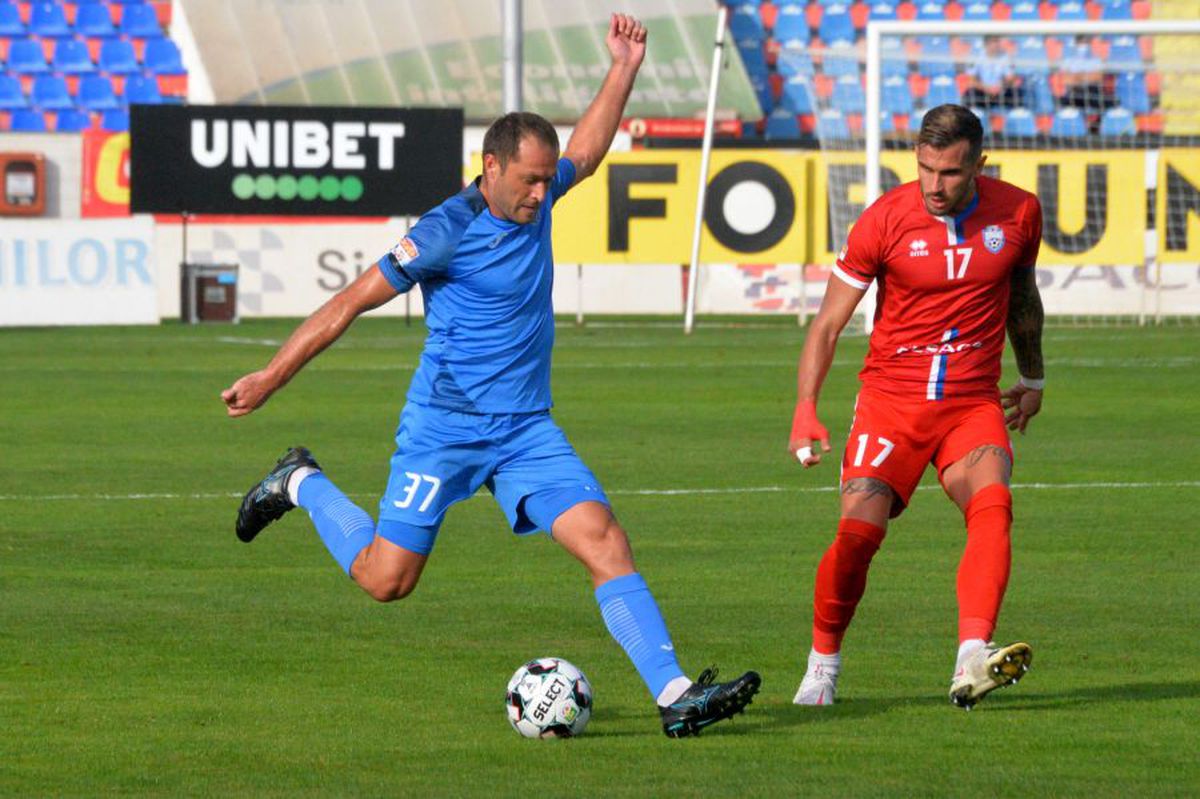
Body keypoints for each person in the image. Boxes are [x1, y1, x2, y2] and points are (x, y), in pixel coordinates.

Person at [221, 13, 760, 738]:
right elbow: (349, 302)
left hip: (525, 431)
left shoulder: (537, 193)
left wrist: (624, 69)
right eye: (532, 181)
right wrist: (271, 376)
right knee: (387, 580)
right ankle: (299, 481)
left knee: (605, 540)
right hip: (443, 428)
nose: (544, 194)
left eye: (548, 179)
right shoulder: (445, 229)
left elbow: (591, 151)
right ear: (492, 167)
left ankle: (673, 694)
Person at [787, 104, 1044, 710]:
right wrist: (805, 407)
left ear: (979, 164)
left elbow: (1023, 297)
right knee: (857, 535)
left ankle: (972, 655)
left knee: (993, 504)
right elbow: (827, 325)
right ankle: (823, 664)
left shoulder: (1020, 213)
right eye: (925, 168)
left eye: (950, 173)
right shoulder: (885, 220)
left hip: (970, 402)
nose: (934, 185)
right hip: (890, 403)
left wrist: (1032, 375)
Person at [961, 37, 1022, 112]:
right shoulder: (976, 56)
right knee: (969, 95)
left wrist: (1001, 86)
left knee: (1017, 93)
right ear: (986, 44)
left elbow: (1010, 78)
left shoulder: (1005, 57)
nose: (996, 45)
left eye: (997, 42)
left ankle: (1018, 117)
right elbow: (971, 80)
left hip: (1000, 90)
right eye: (993, 42)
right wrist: (986, 88)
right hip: (982, 90)